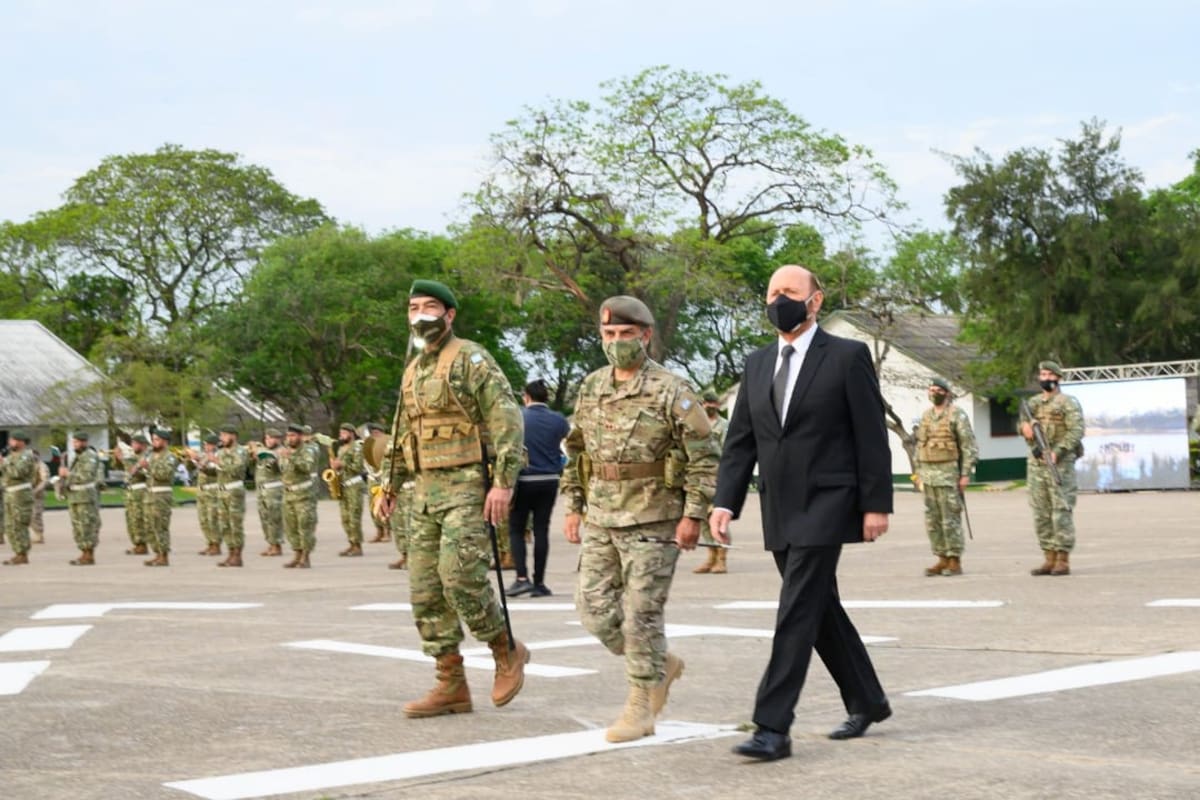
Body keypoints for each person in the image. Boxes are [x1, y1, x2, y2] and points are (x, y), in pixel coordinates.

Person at [711, 265, 893, 762]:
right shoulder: (757, 363)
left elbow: (871, 434)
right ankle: (868, 699)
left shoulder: (847, 356)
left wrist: (876, 503)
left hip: (828, 502)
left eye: (790, 291)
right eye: (772, 292)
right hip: (779, 505)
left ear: (815, 300)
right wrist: (725, 501)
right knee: (819, 609)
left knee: (795, 611)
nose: (779, 300)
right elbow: (741, 441)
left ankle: (772, 726)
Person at [561, 295, 720, 743]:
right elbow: (576, 451)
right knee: (593, 610)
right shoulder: (592, 386)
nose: (616, 341)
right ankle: (659, 664)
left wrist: (694, 515)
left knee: (641, 615)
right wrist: (573, 505)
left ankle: (640, 705)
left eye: (626, 334)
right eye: (609, 334)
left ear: (645, 336)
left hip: (654, 517)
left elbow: (704, 456)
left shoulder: (671, 389)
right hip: (601, 514)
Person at [376, 279, 529, 718]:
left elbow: (506, 420)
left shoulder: (471, 358)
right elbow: (404, 432)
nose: (420, 314)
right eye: (413, 307)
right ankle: (451, 683)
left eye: (429, 306)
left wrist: (503, 483)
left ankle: (505, 648)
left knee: (460, 577)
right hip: (423, 493)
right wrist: (388, 485)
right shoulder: (412, 369)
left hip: (467, 487)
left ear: (449, 314)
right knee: (425, 591)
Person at [506, 379, 570, 598]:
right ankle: (540, 582)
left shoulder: (518, 417)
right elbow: (565, 442)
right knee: (541, 529)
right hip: (549, 480)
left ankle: (521, 578)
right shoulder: (559, 420)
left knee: (516, 529)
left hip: (524, 480)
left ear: (526, 397)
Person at [1020, 360, 1084, 577]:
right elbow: (1023, 424)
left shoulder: (1068, 403)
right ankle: (1049, 557)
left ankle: (1062, 559)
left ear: (1058, 378)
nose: (1045, 378)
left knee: (1060, 512)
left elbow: (1076, 431)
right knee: (1041, 513)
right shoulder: (1033, 403)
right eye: (1042, 374)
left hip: (1060, 464)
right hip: (1037, 466)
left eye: (1049, 374)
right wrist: (1024, 428)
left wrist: (1059, 451)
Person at [914, 377, 978, 576]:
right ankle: (941, 558)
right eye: (931, 389)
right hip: (928, 476)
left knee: (950, 519)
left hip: (949, 475)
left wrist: (965, 474)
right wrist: (918, 473)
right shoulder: (926, 416)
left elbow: (969, 446)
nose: (934, 393)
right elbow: (920, 445)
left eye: (938, 390)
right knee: (933, 520)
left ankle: (954, 560)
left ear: (947, 393)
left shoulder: (957, 415)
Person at [693, 388, 731, 575]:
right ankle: (711, 556)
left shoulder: (724, 426)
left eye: (712, 403)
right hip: (699, 476)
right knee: (702, 519)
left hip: (717, 476)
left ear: (717, 405)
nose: (709, 406)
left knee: (716, 518)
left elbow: (729, 451)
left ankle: (722, 559)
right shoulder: (696, 423)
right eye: (706, 403)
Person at [60, 431, 103, 566]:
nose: (75, 444)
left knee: (86, 525)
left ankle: (88, 554)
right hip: (75, 496)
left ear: (84, 442)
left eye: (77, 442)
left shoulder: (90, 456)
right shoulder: (78, 457)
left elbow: (87, 476)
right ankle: (84, 552)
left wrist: (68, 474)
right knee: (78, 526)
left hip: (85, 497)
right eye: (74, 442)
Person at [280, 423, 318, 568]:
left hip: (303, 495)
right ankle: (297, 554)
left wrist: (292, 457)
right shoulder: (286, 450)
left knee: (305, 526)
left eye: (293, 435)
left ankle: (305, 557)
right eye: (288, 436)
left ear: (300, 436)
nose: (290, 438)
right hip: (288, 494)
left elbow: (306, 467)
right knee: (291, 527)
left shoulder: (307, 450)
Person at [143, 428, 179, 566]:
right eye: (153, 440)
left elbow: (164, 475)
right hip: (150, 495)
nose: (153, 442)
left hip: (161, 496)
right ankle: (157, 553)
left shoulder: (170, 457)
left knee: (160, 526)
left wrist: (148, 467)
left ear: (164, 442)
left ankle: (164, 555)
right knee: (149, 526)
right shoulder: (152, 456)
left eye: (156, 440)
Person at [2, 431, 39, 565]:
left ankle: (22, 554)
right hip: (9, 495)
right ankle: (17, 552)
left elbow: (17, 473)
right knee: (10, 525)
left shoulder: (26, 456)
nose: (13, 443)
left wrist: (3, 463)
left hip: (21, 495)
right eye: (12, 440)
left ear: (23, 442)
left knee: (19, 524)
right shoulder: (10, 457)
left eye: (16, 441)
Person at [214, 426, 250, 567]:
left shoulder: (240, 451)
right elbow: (216, 472)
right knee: (224, 525)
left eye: (224, 435)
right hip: (221, 492)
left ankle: (237, 555)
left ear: (233, 436)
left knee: (235, 524)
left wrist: (218, 462)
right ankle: (230, 553)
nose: (221, 438)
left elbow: (236, 469)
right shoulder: (221, 452)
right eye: (221, 435)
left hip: (234, 491)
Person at [331, 422, 366, 557]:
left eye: (344, 433)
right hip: (343, 485)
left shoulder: (357, 447)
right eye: (340, 433)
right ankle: (351, 543)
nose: (341, 435)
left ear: (351, 434)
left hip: (354, 486)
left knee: (354, 517)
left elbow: (358, 467)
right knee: (345, 518)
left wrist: (342, 464)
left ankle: (357, 546)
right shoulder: (341, 448)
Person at [116, 434, 151, 555]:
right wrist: (119, 458)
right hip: (131, 492)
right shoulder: (133, 456)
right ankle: (137, 543)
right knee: (131, 518)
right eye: (132, 443)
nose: (133, 446)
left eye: (135, 444)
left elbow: (140, 472)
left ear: (143, 445)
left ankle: (142, 544)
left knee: (138, 518)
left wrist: (123, 459)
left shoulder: (146, 457)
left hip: (140, 491)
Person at [254, 428, 286, 556]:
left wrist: (277, 459)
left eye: (271, 438)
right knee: (264, 517)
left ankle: (277, 545)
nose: (268, 441)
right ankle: (270, 543)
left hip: (274, 489)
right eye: (267, 438)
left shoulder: (281, 452)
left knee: (274, 518)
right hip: (261, 490)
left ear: (278, 440)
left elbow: (282, 469)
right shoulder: (263, 452)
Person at [192, 435, 223, 556]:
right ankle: (209, 543)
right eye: (205, 444)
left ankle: (216, 544)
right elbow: (193, 470)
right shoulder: (204, 456)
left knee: (212, 519)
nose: (206, 447)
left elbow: (214, 472)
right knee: (203, 519)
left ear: (215, 445)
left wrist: (203, 464)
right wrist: (192, 460)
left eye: (208, 444)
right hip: (202, 491)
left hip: (212, 491)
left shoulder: (218, 456)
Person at [364, 422, 391, 544]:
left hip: (383, 478)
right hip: (372, 479)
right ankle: (378, 531)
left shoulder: (387, 445)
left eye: (377, 433)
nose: (374, 435)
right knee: (372, 507)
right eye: (373, 433)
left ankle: (387, 532)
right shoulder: (369, 445)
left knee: (384, 506)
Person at [30, 448, 50, 545]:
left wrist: (35, 490)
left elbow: (44, 480)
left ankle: (39, 535)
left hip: (37, 495)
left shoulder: (42, 466)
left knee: (35, 514)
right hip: (27, 494)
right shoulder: (29, 465)